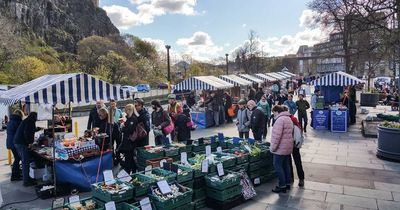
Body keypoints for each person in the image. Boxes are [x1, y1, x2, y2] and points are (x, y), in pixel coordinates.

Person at [270, 105, 294, 193]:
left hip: (280, 148)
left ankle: (282, 185)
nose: (273, 114)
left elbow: (277, 137)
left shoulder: (279, 120)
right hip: (288, 146)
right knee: (286, 165)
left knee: (277, 165)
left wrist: (273, 148)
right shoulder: (288, 118)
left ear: (277, 111)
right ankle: (287, 183)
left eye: (273, 112)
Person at [14, 112, 40, 187]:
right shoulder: (30, 121)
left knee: (25, 161)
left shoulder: (27, 120)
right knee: (25, 162)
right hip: (21, 143)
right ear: (35, 117)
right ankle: (26, 181)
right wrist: (30, 143)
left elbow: (29, 130)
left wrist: (37, 129)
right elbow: (27, 133)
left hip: (18, 142)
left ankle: (27, 178)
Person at [282, 106, 305, 187]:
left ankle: (293, 178)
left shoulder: (289, 119)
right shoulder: (293, 118)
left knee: (291, 161)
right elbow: (300, 129)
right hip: (293, 143)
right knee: (296, 161)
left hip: (291, 143)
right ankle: (299, 179)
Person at [119, 104, 139, 174]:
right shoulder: (128, 118)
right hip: (126, 140)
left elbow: (130, 130)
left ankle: (130, 171)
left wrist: (123, 127)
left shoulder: (133, 119)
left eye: (126, 110)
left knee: (129, 157)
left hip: (130, 141)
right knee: (129, 157)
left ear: (129, 110)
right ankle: (132, 171)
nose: (125, 111)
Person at [7, 110, 24, 181]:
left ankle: (16, 173)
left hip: (10, 142)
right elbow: (21, 132)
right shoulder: (17, 121)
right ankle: (14, 176)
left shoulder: (11, 121)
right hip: (14, 143)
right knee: (17, 158)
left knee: (17, 158)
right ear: (20, 115)